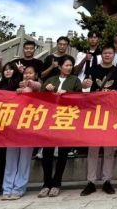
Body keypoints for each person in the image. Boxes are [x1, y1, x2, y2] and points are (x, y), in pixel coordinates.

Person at [80, 46, 117, 196]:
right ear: (102, 55)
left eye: (110, 53)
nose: (107, 55)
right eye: (105, 53)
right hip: (95, 113)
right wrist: (85, 85)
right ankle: (91, 181)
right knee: (93, 149)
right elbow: (86, 87)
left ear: (114, 55)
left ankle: (107, 181)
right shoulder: (93, 69)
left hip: (111, 113)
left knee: (109, 149)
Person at [38, 55, 82, 198]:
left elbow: (80, 99)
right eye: (66, 65)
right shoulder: (50, 80)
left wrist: (68, 94)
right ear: (60, 66)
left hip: (66, 119)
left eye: (71, 65)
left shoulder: (75, 80)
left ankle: (57, 183)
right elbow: (39, 98)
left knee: (63, 153)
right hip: (50, 120)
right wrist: (46, 89)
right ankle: (46, 183)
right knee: (47, 153)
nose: (69, 68)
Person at [0, 66, 41, 200]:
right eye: (26, 73)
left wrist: (28, 83)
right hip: (13, 126)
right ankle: (7, 188)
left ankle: (19, 188)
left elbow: (36, 85)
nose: (28, 75)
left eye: (31, 73)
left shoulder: (36, 86)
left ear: (35, 75)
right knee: (10, 159)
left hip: (28, 126)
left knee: (24, 159)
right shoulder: (16, 86)